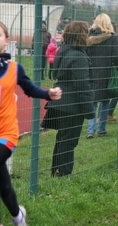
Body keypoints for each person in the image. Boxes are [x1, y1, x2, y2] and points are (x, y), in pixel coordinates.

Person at [0, 20, 62, 226]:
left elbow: (30, 89)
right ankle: (18, 216)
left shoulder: (15, 68)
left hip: (6, 133)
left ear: (7, 41)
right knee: (4, 186)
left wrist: (48, 94)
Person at [41, 21, 94, 177]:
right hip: (71, 104)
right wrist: (89, 110)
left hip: (60, 100)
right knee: (69, 140)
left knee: (62, 139)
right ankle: (63, 173)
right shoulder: (78, 56)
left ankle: (56, 170)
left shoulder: (62, 51)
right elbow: (82, 86)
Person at [85, 13, 118, 139]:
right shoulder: (112, 38)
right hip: (106, 74)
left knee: (92, 101)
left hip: (90, 73)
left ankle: (90, 130)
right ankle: (101, 129)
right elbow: (117, 58)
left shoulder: (88, 38)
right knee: (105, 101)